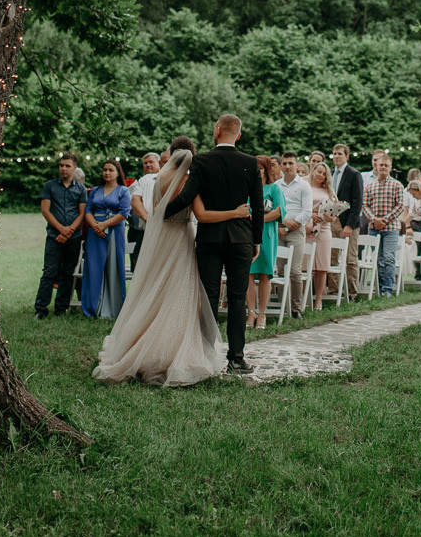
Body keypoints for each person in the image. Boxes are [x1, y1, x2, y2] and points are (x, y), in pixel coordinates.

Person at [93, 136, 252, 386]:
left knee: (156, 290)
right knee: (179, 291)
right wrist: (235, 212)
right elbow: (200, 213)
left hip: (161, 237)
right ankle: (170, 352)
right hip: (180, 236)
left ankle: (140, 343)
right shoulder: (188, 180)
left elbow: (156, 208)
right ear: (190, 156)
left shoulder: (159, 180)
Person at [164, 114, 264, 374]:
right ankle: (236, 358)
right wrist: (256, 240)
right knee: (238, 297)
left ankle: (206, 355)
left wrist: (161, 213)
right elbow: (258, 205)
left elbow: (186, 196)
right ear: (238, 135)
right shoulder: (251, 162)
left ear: (218, 130)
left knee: (208, 297)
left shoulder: (201, 160)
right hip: (241, 239)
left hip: (209, 238)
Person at [34, 152, 87, 320]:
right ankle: (41, 309)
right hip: (54, 237)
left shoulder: (81, 189)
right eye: (61, 165)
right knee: (49, 272)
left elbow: (82, 213)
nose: (63, 169)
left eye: (67, 166)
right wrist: (61, 230)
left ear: (74, 168)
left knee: (67, 273)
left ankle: (61, 308)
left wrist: (69, 231)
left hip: (74, 238)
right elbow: (45, 211)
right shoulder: (50, 186)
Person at [81, 159, 132, 319]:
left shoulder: (123, 190)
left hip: (114, 231)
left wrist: (104, 225)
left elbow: (124, 212)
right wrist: (95, 226)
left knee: (113, 267)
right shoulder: (95, 190)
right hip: (94, 232)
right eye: (105, 170)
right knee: (93, 267)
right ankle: (92, 308)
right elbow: (88, 210)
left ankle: (113, 308)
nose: (107, 173)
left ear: (118, 173)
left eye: (111, 170)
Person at [247, 155, 284, 330]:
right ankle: (251, 312)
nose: (257, 171)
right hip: (247, 234)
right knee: (247, 275)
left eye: (260, 168)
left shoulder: (274, 188)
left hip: (267, 235)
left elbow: (279, 211)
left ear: (266, 170)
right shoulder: (247, 188)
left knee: (264, 275)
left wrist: (259, 219)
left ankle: (262, 314)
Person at [363, 153, 406, 297]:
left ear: (390, 167)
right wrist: (374, 219)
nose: (383, 167)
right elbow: (365, 205)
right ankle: (379, 287)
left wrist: (385, 220)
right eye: (381, 164)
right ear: (376, 165)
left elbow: (400, 205)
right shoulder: (370, 186)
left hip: (391, 228)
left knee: (388, 258)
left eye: (386, 165)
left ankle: (387, 289)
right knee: (377, 259)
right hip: (373, 228)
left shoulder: (397, 185)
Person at [277, 152, 311, 319]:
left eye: (291, 163)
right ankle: (283, 305)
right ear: (281, 165)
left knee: (295, 271)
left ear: (297, 165)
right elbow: (272, 208)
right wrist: (282, 223)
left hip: (296, 231)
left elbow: (307, 211)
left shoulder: (304, 186)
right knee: (280, 270)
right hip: (278, 229)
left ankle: (296, 309)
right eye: (285, 163)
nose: (288, 166)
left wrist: (289, 226)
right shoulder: (277, 185)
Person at [330, 143, 364, 301]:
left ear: (347, 156)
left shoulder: (354, 174)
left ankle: (352, 293)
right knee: (332, 257)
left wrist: (350, 225)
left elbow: (357, 202)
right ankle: (333, 290)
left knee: (351, 259)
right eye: (334, 154)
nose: (336, 156)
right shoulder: (330, 174)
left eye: (339, 154)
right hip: (332, 220)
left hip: (348, 222)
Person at [307, 162, 337, 308]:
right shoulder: (305, 187)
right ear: (313, 171)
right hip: (308, 228)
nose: (321, 175)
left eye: (324, 173)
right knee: (306, 265)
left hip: (324, 229)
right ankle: (305, 299)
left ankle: (318, 299)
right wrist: (312, 215)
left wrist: (331, 216)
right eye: (319, 171)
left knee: (322, 266)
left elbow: (335, 213)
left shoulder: (329, 191)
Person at [127, 152, 161, 273]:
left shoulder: (166, 178)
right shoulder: (143, 180)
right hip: (143, 229)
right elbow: (135, 201)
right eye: (145, 163)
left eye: (151, 162)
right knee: (138, 263)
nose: (147, 165)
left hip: (164, 228)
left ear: (159, 163)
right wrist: (147, 218)